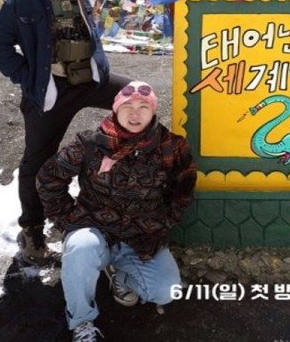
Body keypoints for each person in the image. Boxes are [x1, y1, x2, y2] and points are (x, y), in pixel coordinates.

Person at [0, 0, 132, 264]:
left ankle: (124, 184)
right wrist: (27, 77)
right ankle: (32, 228)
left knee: (136, 97)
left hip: (89, 81)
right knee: (36, 160)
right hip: (51, 88)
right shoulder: (24, 1)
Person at [36, 81, 196, 342]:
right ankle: (82, 321)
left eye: (143, 106)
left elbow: (183, 190)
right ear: (115, 109)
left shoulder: (171, 147)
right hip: (94, 229)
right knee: (80, 247)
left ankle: (120, 276)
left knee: (166, 291)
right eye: (127, 106)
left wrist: (164, 221)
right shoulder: (90, 142)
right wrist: (66, 219)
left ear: (153, 111)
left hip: (141, 236)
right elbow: (50, 177)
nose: (135, 114)